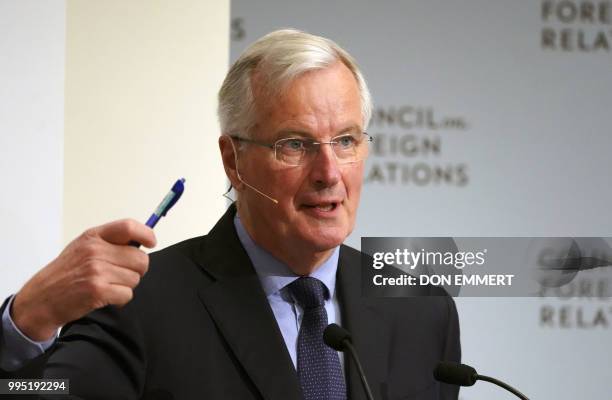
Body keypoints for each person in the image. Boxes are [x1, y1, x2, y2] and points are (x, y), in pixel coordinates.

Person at [0, 29, 460, 399]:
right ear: (233, 160)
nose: (329, 173)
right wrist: (28, 321)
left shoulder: (423, 311)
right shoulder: (139, 305)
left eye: (345, 141)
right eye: (295, 144)